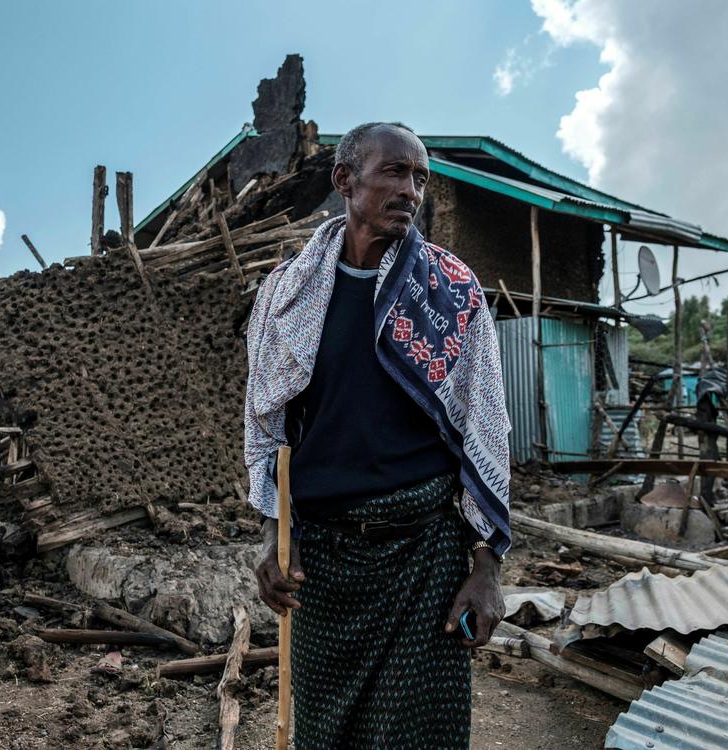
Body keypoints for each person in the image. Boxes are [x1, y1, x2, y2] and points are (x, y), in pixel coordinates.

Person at [244, 122, 512, 748]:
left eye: (420, 178)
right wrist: (275, 535)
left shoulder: (451, 292)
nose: (410, 190)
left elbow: (486, 429)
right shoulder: (287, 294)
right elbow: (266, 428)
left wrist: (486, 565)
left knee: (422, 735)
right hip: (325, 564)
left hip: (424, 559)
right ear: (345, 180)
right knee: (323, 731)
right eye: (394, 172)